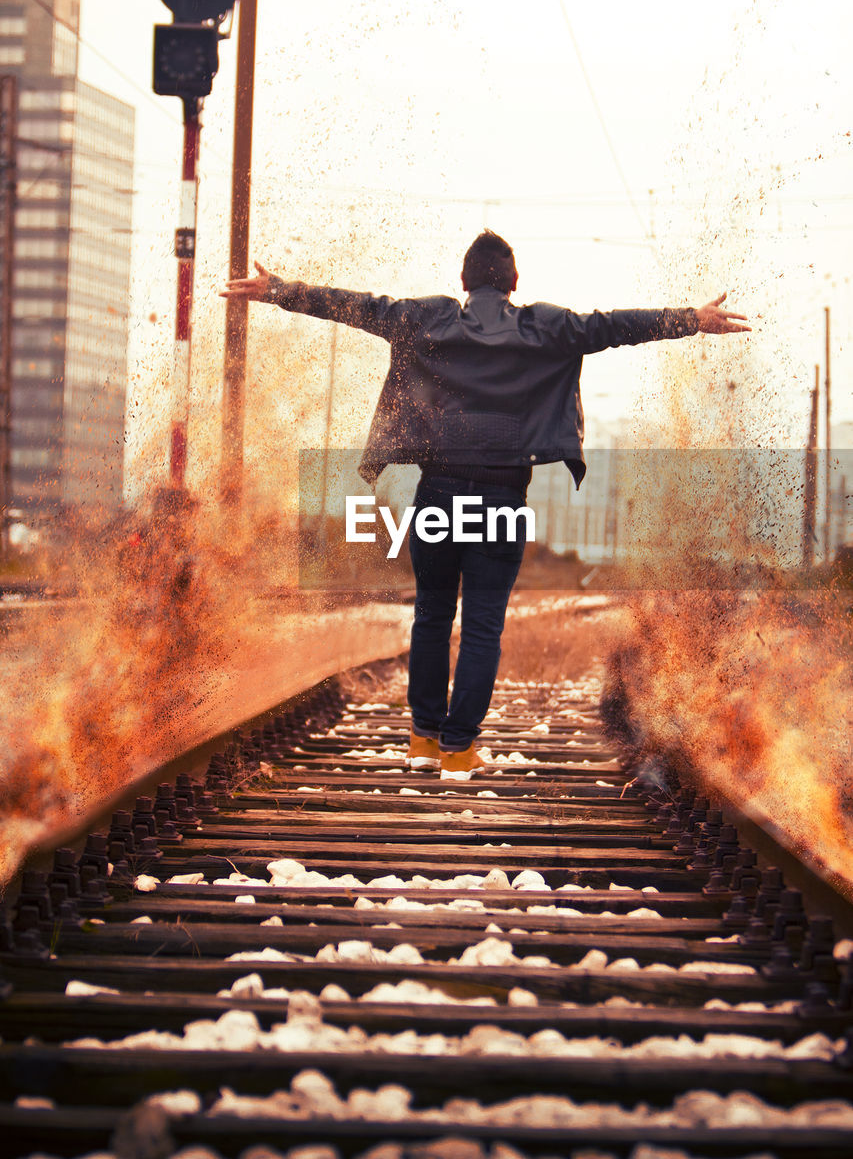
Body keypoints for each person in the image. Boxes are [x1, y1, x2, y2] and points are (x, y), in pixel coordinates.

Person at [223, 231, 749, 780]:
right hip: (501, 498)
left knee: (430, 616)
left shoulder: (427, 318)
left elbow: (356, 307)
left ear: (464, 282)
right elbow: (613, 326)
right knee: (481, 628)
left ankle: (423, 739)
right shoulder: (544, 327)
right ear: (515, 284)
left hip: (438, 494)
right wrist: (692, 318)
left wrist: (281, 289)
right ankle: (457, 748)